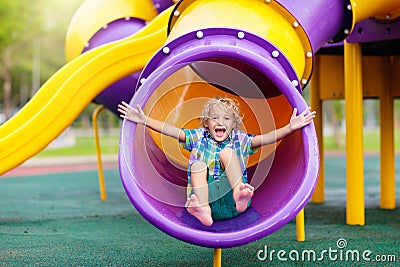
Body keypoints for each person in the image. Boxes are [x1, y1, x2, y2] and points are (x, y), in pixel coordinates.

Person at [118, 96, 316, 226]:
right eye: (214, 118)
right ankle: (202, 208)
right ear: (206, 122)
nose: (220, 122)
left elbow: (266, 138)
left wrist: (291, 128)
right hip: (203, 204)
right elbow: (172, 131)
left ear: (234, 124)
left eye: (227, 119)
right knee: (197, 165)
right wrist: (144, 120)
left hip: (233, 204)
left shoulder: (240, 139)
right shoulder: (198, 137)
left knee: (227, 154)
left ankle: (240, 192)